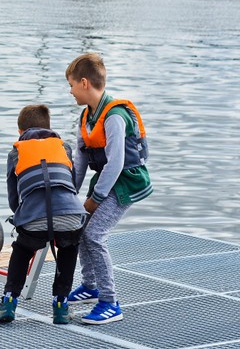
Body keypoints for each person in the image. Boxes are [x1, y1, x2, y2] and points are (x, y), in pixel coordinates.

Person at [65, 52, 151, 324]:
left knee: (94, 234)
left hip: (126, 182)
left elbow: (115, 164)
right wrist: (69, 196)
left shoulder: (114, 117)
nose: (70, 92)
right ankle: (90, 286)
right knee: (80, 227)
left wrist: (94, 200)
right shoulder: (86, 116)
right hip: (106, 181)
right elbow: (79, 162)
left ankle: (110, 302)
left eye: (71, 85)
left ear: (84, 83)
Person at [0, 105, 87, 325]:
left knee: (23, 249)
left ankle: (8, 302)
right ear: (49, 128)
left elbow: (13, 197)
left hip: (34, 217)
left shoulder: (16, 152)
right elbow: (71, 186)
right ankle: (61, 307)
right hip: (70, 214)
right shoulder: (64, 147)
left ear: (20, 131)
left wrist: (22, 217)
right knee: (69, 247)